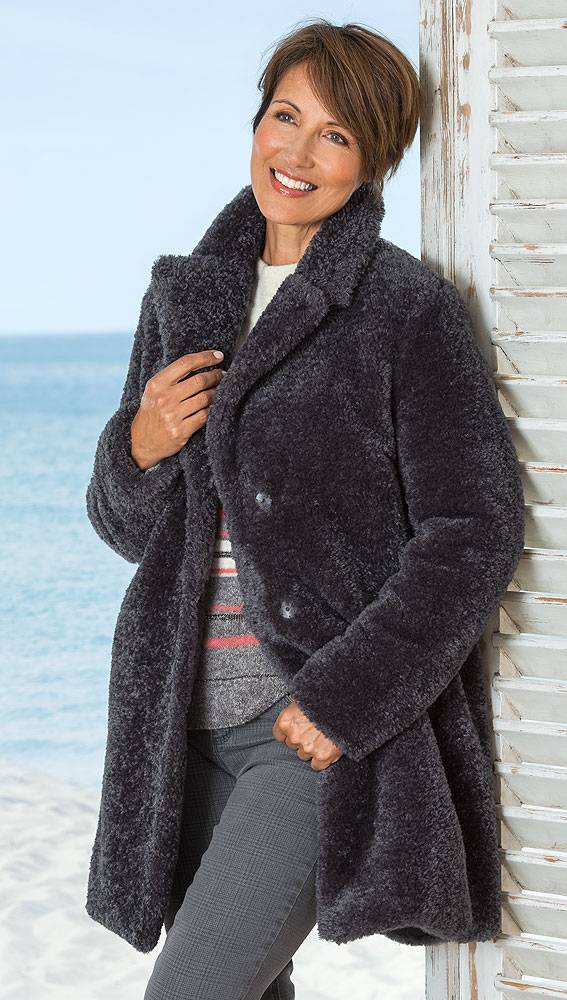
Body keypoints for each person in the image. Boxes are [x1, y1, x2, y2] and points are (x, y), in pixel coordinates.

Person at [85, 16, 523, 1000]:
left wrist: (345, 699)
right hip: (178, 725)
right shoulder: (181, 300)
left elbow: (473, 531)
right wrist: (139, 445)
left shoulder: (406, 309)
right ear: (256, 121)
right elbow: (128, 533)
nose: (297, 153)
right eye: (285, 117)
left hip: (305, 726)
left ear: (374, 161)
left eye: (336, 134)